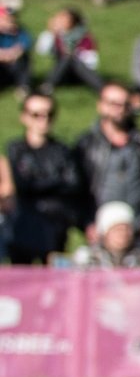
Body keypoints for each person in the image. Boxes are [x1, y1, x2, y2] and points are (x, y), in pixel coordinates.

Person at [77, 82, 140, 245]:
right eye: (113, 103)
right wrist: (86, 222)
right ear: (100, 105)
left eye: (124, 104)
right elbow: (78, 188)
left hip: (139, 227)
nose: (119, 108)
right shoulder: (86, 144)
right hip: (101, 228)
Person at [5, 93, 88, 263]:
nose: (43, 120)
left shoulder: (63, 150)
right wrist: (55, 180)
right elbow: (22, 184)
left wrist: (38, 183)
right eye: (36, 115)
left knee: (56, 280)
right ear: (24, 117)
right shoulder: (15, 149)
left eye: (49, 114)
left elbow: (73, 184)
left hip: (56, 226)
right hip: (23, 226)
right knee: (22, 281)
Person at [35, 7, 104, 93]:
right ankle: (48, 86)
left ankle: (102, 89)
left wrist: (74, 55)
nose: (59, 21)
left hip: (81, 72)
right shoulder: (55, 35)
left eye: (63, 19)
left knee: (70, 57)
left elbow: (92, 62)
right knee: (66, 58)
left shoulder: (84, 37)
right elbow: (41, 50)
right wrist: (51, 32)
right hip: (62, 73)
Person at [71, 201, 140, 269]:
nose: (122, 234)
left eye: (126, 229)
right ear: (105, 233)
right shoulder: (88, 257)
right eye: (117, 229)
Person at [0, 6, 31, 95]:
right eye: (5, 19)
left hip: (13, 65)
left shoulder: (20, 32)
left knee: (25, 58)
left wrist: (9, 55)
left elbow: (22, 48)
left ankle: (23, 86)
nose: (9, 22)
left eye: (12, 19)